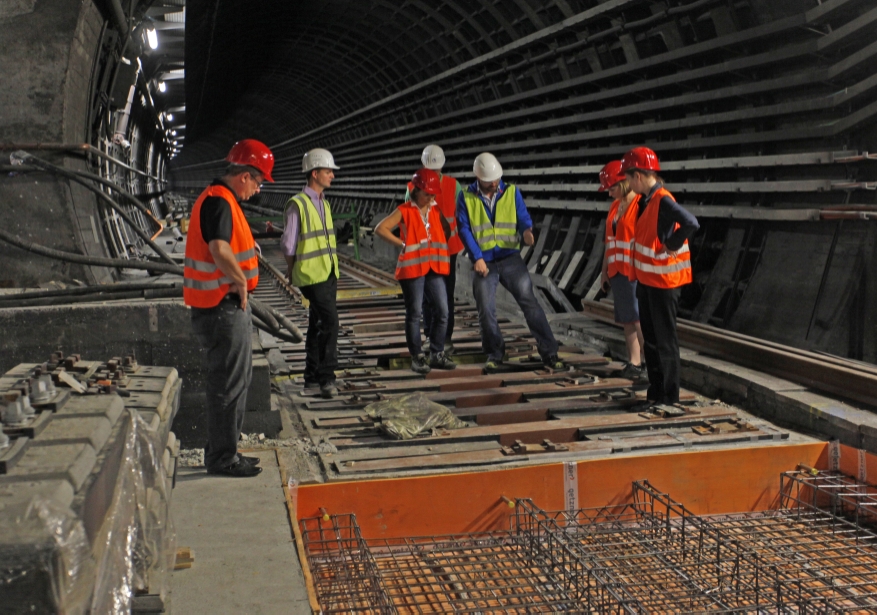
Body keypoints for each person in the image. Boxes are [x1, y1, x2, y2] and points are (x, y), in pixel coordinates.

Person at [183, 139, 273, 478]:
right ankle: (222, 458)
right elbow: (219, 248)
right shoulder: (219, 201)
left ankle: (227, 450)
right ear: (245, 175)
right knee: (227, 384)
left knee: (237, 381)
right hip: (220, 307)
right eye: (260, 181)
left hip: (225, 307)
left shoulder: (223, 200)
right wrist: (238, 280)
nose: (259, 189)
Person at [456, 152, 565, 373]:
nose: (494, 184)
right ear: (479, 178)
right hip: (484, 261)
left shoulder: (511, 191)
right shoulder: (466, 197)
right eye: (489, 182)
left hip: (510, 258)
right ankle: (494, 354)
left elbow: (523, 215)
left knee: (530, 304)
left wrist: (526, 231)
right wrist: (476, 257)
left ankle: (550, 352)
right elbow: (464, 229)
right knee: (486, 309)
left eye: (496, 179)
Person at [621, 147, 699, 405]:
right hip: (647, 282)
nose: (628, 184)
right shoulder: (645, 200)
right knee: (652, 341)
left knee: (665, 342)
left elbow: (690, 223)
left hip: (664, 284)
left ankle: (669, 397)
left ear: (639, 176)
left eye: (629, 178)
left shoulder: (663, 200)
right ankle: (655, 394)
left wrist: (671, 245)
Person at [376, 168, 456, 374]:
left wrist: (438, 244)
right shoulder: (405, 210)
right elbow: (381, 228)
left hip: (434, 267)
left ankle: (437, 353)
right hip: (412, 268)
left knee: (443, 310)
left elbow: (446, 229)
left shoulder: (435, 210)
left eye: (432, 194)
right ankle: (417, 356)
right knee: (414, 313)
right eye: (427, 194)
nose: (430, 197)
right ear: (416, 190)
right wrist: (401, 243)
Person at [280, 148, 341, 399]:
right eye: (328, 171)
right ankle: (327, 378)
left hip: (327, 272)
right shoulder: (298, 204)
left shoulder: (324, 203)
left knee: (318, 324)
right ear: (314, 174)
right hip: (310, 275)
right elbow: (287, 244)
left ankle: (311, 377)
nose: (332, 176)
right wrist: (291, 269)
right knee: (330, 322)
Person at [404, 145, 464, 354]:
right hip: (426, 250)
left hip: (448, 250)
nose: (435, 173)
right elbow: (407, 218)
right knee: (430, 296)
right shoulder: (414, 186)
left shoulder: (453, 185)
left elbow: (462, 215)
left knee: (445, 294)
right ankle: (432, 336)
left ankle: (444, 338)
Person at [597, 160, 647, 381]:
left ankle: (648, 364)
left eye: (612, 188)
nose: (610, 194)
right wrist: (604, 269)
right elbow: (609, 241)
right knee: (628, 320)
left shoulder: (640, 205)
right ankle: (634, 363)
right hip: (618, 272)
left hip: (635, 272)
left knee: (639, 321)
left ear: (624, 183)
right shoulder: (615, 207)